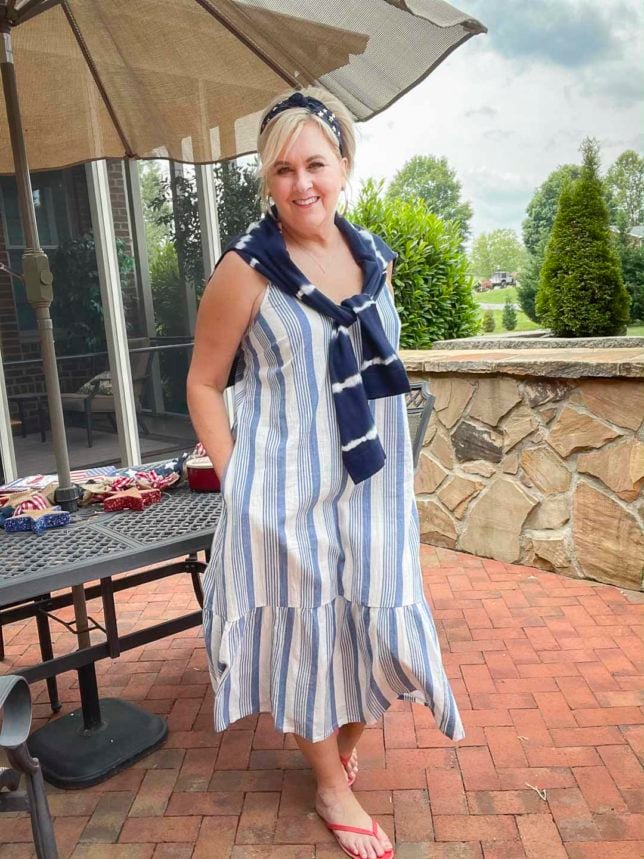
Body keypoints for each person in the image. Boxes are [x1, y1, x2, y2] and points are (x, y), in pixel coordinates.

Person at [187, 86, 463, 859]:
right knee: (306, 637)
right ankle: (331, 785)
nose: (301, 183)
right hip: (285, 491)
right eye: (283, 170)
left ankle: (340, 750)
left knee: (380, 623)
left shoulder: (375, 259)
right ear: (267, 180)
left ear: (343, 165)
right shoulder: (246, 270)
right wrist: (238, 479)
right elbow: (202, 383)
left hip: (371, 484)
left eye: (315, 164)